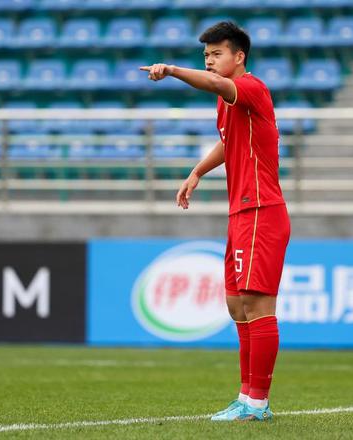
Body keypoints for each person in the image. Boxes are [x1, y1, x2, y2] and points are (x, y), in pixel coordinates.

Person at [140, 21, 290, 422]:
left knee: (257, 305)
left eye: (216, 54)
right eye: (205, 55)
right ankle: (246, 396)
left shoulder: (250, 88)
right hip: (241, 211)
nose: (209, 61)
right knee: (237, 306)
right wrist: (197, 172)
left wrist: (171, 70)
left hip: (261, 209)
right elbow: (229, 140)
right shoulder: (228, 103)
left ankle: (258, 401)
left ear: (239, 57)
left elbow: (217, 86)